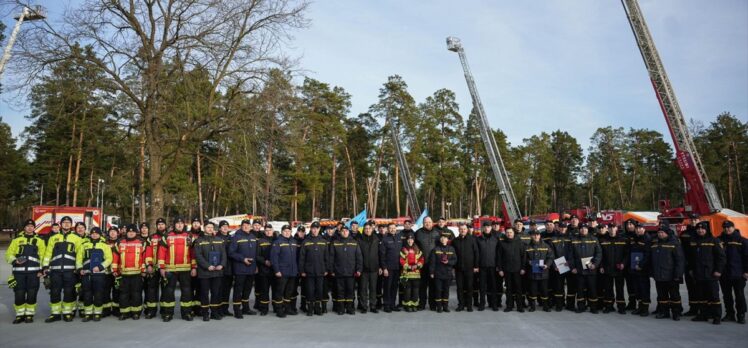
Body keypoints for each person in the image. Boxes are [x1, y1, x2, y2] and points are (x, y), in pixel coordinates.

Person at [42, 216, 84, 322]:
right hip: (55, 271)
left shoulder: (77, 238)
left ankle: (67, 313)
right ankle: (55, 314)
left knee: (69, 292)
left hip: (70, 271)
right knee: (55, 292)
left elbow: (79, 255)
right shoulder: (53, 238)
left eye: (68, 222)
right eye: (64, 222)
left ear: (71, 225)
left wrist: (78, 268)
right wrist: (45, 266)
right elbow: (48, 253)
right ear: (60, 224)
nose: (66, 224)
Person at [6, 219, 46, 324]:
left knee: (32, 293)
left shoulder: (40, 241)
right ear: (24, 228)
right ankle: (19, 315)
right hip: (18, 273)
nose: (30, 228)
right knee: (19, 293)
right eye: (27, 226)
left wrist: (41, 270)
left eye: (32, 226)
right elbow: (8, 254)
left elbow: (43, 256)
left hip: (34, 273)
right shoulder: (16, 240)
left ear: (34, 228)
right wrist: (14, 260)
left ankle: (29, 314)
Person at [157, 217, 197, 322]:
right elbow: (161, 253)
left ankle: (187, 313)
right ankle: (167, 313)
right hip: (170, 270)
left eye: (181, 223)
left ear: (184, 225)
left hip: (185, 269)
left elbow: (193, 253)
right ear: (174, 225)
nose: (179, 225)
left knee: (187, 291)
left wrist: (193, 267)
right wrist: (161, 267)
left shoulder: (189, 236)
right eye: (177, 223)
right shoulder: (167, 236)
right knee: (168, 292)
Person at [687, 221, 726, 324]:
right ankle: (703, 315)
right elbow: (690, 257)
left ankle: (716, 316)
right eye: (698, 229)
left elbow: (721, 258)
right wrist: (691, 269)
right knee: (701, 296)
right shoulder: (693, 241)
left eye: (702, 229)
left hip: (711, 273)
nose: (700, 230)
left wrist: (718, 270)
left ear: (707, 229)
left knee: (713, 296)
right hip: (698, 274)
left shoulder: (714, 240)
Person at [75, 227, 112, 322]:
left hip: (99, 274)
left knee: (98, 293)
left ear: (100, 235)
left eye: (96, 233)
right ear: (90, 234)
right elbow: (79, 258)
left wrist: (100, 267)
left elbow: (109, 259)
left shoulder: (104, 245)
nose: (94, 235)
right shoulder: (84, 245)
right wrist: (80, 269)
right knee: (87, 293)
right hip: (86, 274)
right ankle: (88, 313)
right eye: (92, 233)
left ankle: (97, 313)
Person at [112, 224, 147, 320]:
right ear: (126, 232)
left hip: (137, 273)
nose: (131, 233)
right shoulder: (119, 242)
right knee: (124, 294)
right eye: (129, 231)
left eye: (133, 231)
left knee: (136, 294)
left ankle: (136, 312)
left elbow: (144, 258)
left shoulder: (142, 242)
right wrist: (114, 270)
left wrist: (144, 270)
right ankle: (124, 313)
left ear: (136, 232)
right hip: (123, 274)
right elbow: (115, 257)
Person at [650, 225, 685, 321]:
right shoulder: (654, 244)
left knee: (675, 296)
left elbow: (680, 260)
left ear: (667, 233)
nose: (660, 234)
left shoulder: (674, 244)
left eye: (662, 232)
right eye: (659, 233)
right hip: (659, 275)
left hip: (672, 275)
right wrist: (652, 272)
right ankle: (664, 312)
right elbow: (651, 260)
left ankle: (676, 313)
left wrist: (678, 274)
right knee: (662, 296)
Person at [194, 222, 227, 321]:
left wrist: (222, 265)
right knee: (204, 293)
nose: (210, 229)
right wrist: (207, 266)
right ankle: (205, 313)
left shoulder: (219, 240)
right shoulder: (199, 241)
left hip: (217, 272)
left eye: (212, 227)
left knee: (215, 293)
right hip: (205, 272)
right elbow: (198, 256)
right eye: (208, 227)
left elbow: (223, 254)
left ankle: (214, 312)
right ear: (204, 229)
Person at [228, 219, 258, 319]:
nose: (246, 227)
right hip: (240, 268)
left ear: (250, 226)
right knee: (238, 290)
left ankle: (246, 308)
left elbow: (256, 253)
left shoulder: (253, 237)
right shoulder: (236, 237)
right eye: (244, 225)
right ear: (241, 226)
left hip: (251, 268)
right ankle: (237, 310)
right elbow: (231, 252)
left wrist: (256, 266)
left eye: (248, 225)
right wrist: (243, 259)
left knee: (247, 290)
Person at [719, 220, 747, 324]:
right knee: (726, 295)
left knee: (739, 295)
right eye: (725, 227)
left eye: (729, 227)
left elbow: (746, 257)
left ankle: (741, 314)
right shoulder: (719, 240)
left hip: (738, 273)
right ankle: (729, 314)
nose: (727, 229)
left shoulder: (742, 241)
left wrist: (746, 271)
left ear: (733, 227)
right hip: (724, 273)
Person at [329, 226, 363, 315]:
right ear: (340, 232)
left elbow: (359, 257)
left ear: (349, 232)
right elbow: (331, 258)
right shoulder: (335, 243)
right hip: (338, 272)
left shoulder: (354, 243)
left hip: (351, 272)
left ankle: (350, 308)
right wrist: (331, 270)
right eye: (343, 231)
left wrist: (359, 269)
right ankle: (341, 308)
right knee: (340, 291)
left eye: (346, 231)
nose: (344, 232)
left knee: (350, 291)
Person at [570, 224, 602, 314]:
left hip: (591, 269)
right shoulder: (574, 240)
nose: (583, 230)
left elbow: (599, 253)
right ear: (579, 230)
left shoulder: (594, 239)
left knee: (592, 289)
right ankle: (581, 306)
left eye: (585, 228)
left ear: (587, 230)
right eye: (581, 228)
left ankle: (593, 307)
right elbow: (570, 255)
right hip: (579, 270)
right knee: (580, 289)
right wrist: (572, 267)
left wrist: (595, 264)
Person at [270, 225, 300, 318]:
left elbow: (297, 257)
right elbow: (274, 258)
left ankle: (287, 308)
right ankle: (279, 309)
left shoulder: (294, 242)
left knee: (289, 292)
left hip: (292, 272)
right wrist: (277, 270)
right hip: (282, 272)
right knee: (279, 291)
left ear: (291, 232)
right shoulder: (277, 242)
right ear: (282, 232)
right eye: (285, 231)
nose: (287, 233)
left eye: (289, 231)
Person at [299, 221, 328, 316]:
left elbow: (327, 258)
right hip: (309, 271)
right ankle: (310, 308)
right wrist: (302, 270)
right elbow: (302, 258)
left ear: (319, 229)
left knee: (319, 290)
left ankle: (317, 307)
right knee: (310, 290)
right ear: (311, 229)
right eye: (313, 228)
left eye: (317, 228)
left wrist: (326, 269)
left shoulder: (323, 241)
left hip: (320, 271)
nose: (315, 230)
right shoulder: (306, 242)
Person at [599, 223, 628, 314]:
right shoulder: (603, 240)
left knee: (619, 289)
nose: (612, 229)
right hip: (607, 268)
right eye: (610, 228)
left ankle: (621, 306)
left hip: (619, 269)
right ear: (608, 229)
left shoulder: (623, 240)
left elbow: (626, 254)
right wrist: (601, 266)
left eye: (613, 227)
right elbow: (600, 255)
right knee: (608, 289)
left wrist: (623, 263)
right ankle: (609, 306)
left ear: (616, 228)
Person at [525, 229, 554, 312]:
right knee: (532, 290)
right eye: (534, 235)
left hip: (543, 272)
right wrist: (528, 262)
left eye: (537, 235)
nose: (536, 236)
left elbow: (550, 257)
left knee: (544, 290)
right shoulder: (527, 246)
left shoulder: (546, 246)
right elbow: (524, 258)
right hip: (532, 272)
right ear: (531, 236)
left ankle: (545, 306)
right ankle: (532, 306)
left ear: (540, 236)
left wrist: (547, 265)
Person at [498, 227, 526, 312]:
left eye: (510, 232)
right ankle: (509, 306)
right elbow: (499, 257)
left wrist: (523, 268)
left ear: (514, 233)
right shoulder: (502, 243)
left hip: (517, 270)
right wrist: (500, 269)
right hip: (507, 270)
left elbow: (523, 256)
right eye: (507, 232)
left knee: (518, 289)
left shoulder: (520, 243)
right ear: (505, 234)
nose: (509, 234)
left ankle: (519, 306)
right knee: (509, 289)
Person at [452, 224, 479, 312]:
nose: (463, 230)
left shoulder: (472, 240)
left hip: (470, 268)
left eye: (464, 229)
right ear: (459, 230)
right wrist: (453, 266)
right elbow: (452, 255)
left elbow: (476, 253)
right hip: (458, 268)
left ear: (467, 230)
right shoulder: (455, 241)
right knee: (460, 287)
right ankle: (461, 305)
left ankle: (469, 305)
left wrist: (476, 266)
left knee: (469, 287)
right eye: (461, 229)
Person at [143, 218, 166, 319]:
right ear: (156, 226)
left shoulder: (169, 236)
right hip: (153, 268)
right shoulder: (151, 238)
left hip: (165, 268)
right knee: (152, 290)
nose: (160, 226)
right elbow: (147, 253)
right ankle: (151, 311)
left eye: (162, 224)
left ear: (165, 225)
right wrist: (149, 265)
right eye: (159, 224)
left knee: (166, 290)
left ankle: (165, 310)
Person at [415, 217, 440, 311]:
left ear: (432, 223)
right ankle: (422, 304)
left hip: (434, 264)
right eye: (426, 222)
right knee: (422, 285)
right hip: (422, 263)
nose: (428, 224)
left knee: (433, 285)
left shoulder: (437, 233)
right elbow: (414, 246)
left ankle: (432, 304)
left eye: (429, 222)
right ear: (423, 223)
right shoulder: (418, 233)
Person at [629, 222, 652, 316]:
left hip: (643, 269)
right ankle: (640, 307)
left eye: (640, 228)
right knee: (637, 288)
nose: (638, 230)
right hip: (634, 268)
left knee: (644, 288)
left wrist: (641, 265)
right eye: (637, 228)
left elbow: (647, 254)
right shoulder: (634, 238)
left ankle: (645, 309)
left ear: (644, 229)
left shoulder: (647, 238)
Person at [357, 221, 380, 313]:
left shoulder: (376, 239)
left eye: (369, 228)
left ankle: (373, 306)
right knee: (363, 289)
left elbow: (379, 254)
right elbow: (358, 255)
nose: (367, 230)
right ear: (364, 229)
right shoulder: (359, 239)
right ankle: (364, 307)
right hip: (363, 269)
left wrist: (380, 267)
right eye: (366, 228)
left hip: (374, 268)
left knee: (373, 289)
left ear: (372, 229)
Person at [430, 234, 456, 313]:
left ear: (447, 240)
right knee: (438, 290)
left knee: (446, 290)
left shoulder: (451, 249)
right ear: (440, 239)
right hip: (438, 273)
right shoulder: (435, 249)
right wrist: (431, 272)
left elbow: (455, 260)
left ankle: (445, 306)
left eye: (445, 238)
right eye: (442, 238)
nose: (443, 239)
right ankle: (439, 307)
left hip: (448, 273)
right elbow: (432, 262)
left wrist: (448, 262)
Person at [476, 221, 500, 311]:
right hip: (482, 266)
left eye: (488, 227)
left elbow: (498, 254)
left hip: (493, 266)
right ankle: (482, 304)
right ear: (483, 228)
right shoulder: (478, 239)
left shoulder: (495, 239)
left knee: (493, 286)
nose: (487, 228)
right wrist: (476, 265)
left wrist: (498, 265)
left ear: (491, 228)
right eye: (485, 227)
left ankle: (493, 304)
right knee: (482, 286)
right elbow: (476, 254)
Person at [379, 222, 401, 313]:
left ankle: (392, 304)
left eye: (394, 228)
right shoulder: (385, 239)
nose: (392, 229)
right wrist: (384, 268)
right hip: (388, 268)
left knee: (394, 287)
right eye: (390, 228)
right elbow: (382, 255)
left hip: (397, 267)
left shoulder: (399, 238)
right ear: (388, 229)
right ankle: (386, 305)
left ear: (396, 229)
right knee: (387, 287)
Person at [681, 214, 699, 315]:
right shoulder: (684, 234)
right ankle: (693, 309)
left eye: (695, 219)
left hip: (700, 265)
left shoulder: (703, 232)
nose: (693, 221)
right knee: (691, 288)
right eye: (692, 219)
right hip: (688, 265)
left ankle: (704, 309)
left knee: (701, 288)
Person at [400, 234, 424, 312]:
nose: (410, 241)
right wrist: (408, 267)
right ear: (406, 240)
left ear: (414, 240)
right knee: (407, 290)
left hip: (416, 273)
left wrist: (417, 266)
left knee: (416, 290)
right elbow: (401, 260)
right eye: (409, 239)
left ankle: (414, 305)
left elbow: (421, 259)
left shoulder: (417, 249)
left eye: (412, 239)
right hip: (406, 273)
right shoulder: (403, 249)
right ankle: (407, 305)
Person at [255, 224, 275, 316]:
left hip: (275, 270)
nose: (268, 231)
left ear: (273, 230)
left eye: (270, 230)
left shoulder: (277, 240)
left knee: (276, 291)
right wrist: (264, 261)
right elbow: (257, 256)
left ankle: (276, 307)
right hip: (264, 270)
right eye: (266, 230)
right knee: (264, 291)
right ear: (264, 231)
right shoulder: (260, 241)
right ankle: (264, 309)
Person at [217, 220, 234, 316]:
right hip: (220, 267)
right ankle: (218, 309)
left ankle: (225, 309)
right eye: (223, 226)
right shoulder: (216, 237)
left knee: (227, 290)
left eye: (226, 226)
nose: (225, 228)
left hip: (229, 268)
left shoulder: (231, 238)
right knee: (219, 289)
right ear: (219, 228)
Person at [104, 227, 120, 317]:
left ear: (117, 233)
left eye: (114, 231)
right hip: (106, 271)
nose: (113, 233)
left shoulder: (121, 242)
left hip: (117, 270)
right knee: (105, 290)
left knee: (117, 290)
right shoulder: (104, 243)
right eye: (111, 232)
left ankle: (116, 309)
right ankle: (106, 309)